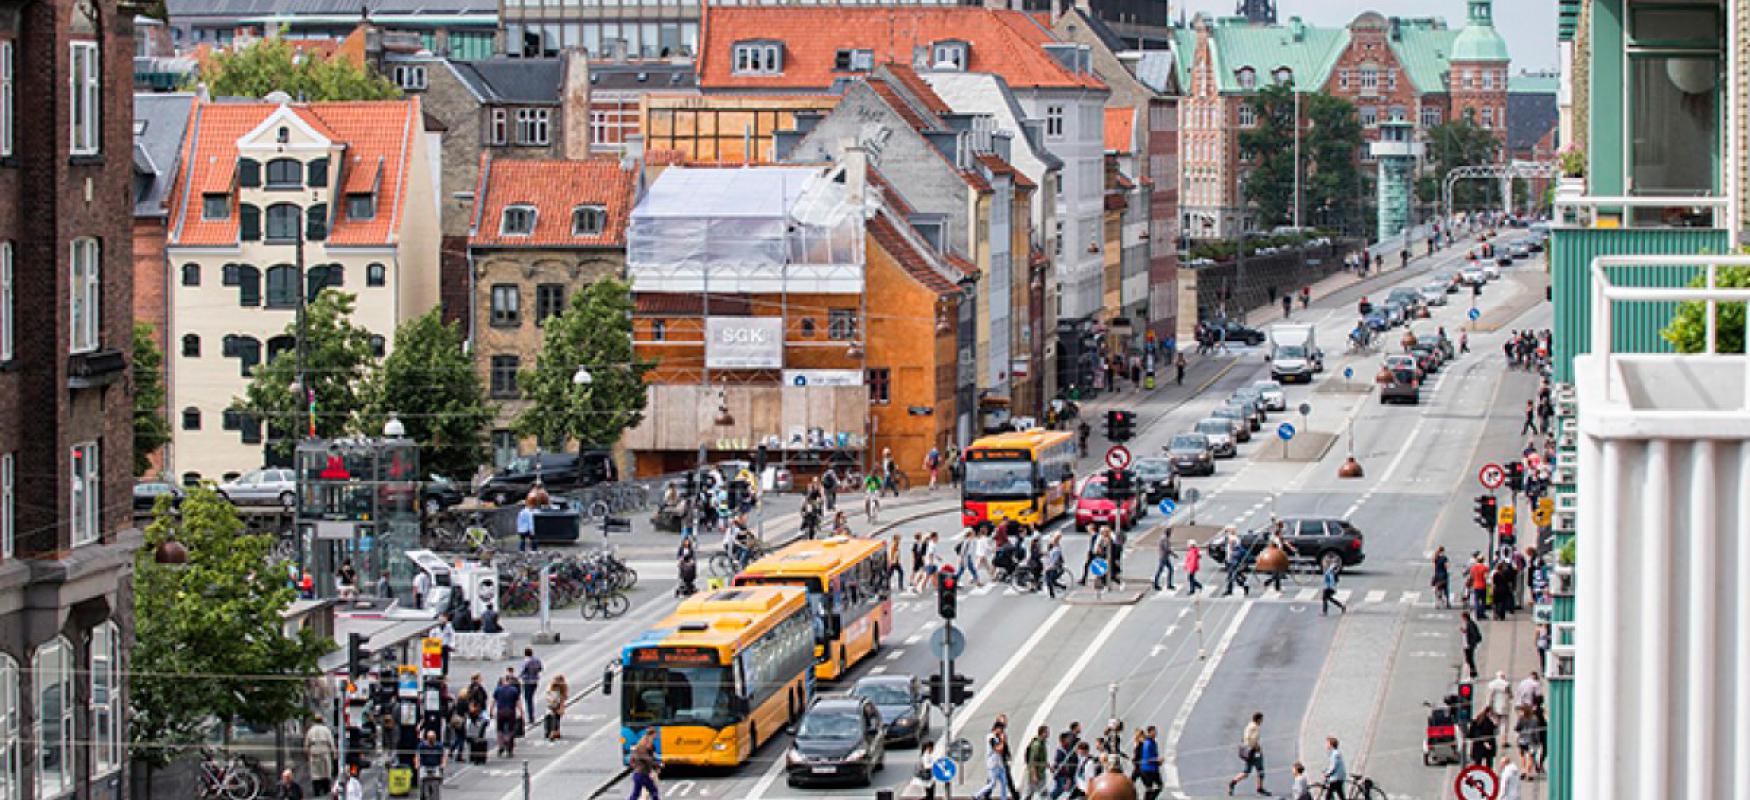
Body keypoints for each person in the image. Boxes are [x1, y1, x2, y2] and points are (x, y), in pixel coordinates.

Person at [1226, 711, 1266, 796]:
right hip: (1254, 752)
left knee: (1246, 772)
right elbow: (1254, 740)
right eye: (1261, 719)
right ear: (1258, 719)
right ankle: (1260, 788)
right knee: (1260, 770)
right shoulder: (1255, 728)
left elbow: (1245, 738)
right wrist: (1258, 749)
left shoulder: (1249, 725)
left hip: (1247, 750)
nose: (1262, 721)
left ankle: (1233, 782)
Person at [492, 674, 523, 758]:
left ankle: (501, 745)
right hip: (511, 712)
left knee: (500, 730)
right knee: (511, 730)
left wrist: (491, 711)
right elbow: (518, 702)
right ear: (509, 681)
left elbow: (493, 701)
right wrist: (521, 712)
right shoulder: (514, 690)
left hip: (500, 712)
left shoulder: (498, 689)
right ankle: (509, 748)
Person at [305, 720, 337, 797]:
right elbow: (331, 743)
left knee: (315, 775)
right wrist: (334, 754)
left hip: (314, 753)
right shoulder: (326, 730)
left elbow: (306, 745)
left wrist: (307, 755)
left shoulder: (310, 730)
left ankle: (317, 793)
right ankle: (326, 792)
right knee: (326, 774)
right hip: (325, 753)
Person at [629, 729, 663, 800]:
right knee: (653, 790)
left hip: (639, 774)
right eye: (655, 734)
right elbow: (648, 759)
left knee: (636, 794)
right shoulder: (642, 746)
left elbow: (650, 758)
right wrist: (658, 765)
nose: (656, 736)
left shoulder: (646, 745)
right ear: (651, 735)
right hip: (642, 774)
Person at [416, 729, 446, 800]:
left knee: (435, 786)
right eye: (430, 738)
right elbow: (417, 755)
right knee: (422, 785)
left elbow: (443, 756)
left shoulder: (439, 745)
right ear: (427, 738)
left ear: (435, 738)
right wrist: (417, 763)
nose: (431, 740)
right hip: (424, 766)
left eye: (432, 738)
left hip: (435, 766)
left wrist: (443, 764)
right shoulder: (422, 745)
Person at [1135, 725, 1163, 800]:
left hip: (1153, 769)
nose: (1156, 733)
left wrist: (1158, 762)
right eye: (1154, 731)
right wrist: (1157, 760)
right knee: (1150, 789)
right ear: (1150, 732)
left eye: (1155, 731)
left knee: (1158, 786)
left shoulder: (1153, 742)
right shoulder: (1147, 743)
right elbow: (1147, 759)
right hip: (1147, 770)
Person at [1024, 725, 1050, 800]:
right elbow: (1032, 761)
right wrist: (1034, 775)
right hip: (1037, 774)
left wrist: (1048, 766)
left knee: (1033, 793)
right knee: (1038, 793)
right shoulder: (1037, 744)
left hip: (1041, 773)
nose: (1048, 734)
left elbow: (1042, 759)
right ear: (1043, 733)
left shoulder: (1043, 743)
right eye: (1047, 732)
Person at [519, 648, 543, 723]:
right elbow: (540, 668)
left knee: (528, 700)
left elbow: (522, 671)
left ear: (525, 654)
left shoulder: (526, 661)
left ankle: (531, 718)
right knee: (530, 699)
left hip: (527, 682)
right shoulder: (537, 660)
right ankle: (531, 717)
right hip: (535, 681)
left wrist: (518, 677)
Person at [545, 675, 569, 740]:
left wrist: (561, 708)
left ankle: (554, 733)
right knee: (550, 718)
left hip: (557, 705)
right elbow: (548, 697)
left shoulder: (563, 688)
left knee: (556, 718)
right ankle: (553, 732)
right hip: (551, 705)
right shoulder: (550, 687)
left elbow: (563, 699)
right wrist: (551, 701)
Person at [1153, 528, 1177, 592]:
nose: (1171, 534)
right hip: (1163, 557)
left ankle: (1168, 584)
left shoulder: (1164, 538)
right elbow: (1167, 549)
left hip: (1165, 557)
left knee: (1170, 569)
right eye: (1170, 533)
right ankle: (1156, 584)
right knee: (1160, 570)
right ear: (1168, 533)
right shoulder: (1165, 539)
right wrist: (1174, 554)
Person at [1461, 611, 1484, 678]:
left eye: (1463, 617)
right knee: (1469, 659)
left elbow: (1474, 634)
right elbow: (1470, 632)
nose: (1462, 619)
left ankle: (1473, 673)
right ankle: (1473, 672)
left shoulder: (1470, 624)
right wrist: (1465, 631)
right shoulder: (1470, 623)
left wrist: (1472, 644)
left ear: (1465, 617)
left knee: (1469, 659)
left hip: (1469, 645)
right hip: (1468, 644)